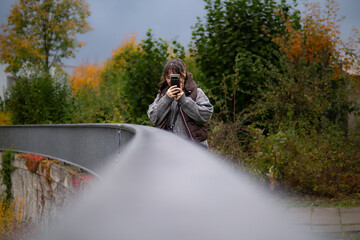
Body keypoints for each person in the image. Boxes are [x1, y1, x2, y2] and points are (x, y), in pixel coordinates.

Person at [147, 59, 213, 147]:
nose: (171, 80)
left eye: (175, 76)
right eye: (168, 77)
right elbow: (154, 118)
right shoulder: (162, 95)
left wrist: (184, 100)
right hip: (170, 148)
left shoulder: (196, 92)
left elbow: (205, 116)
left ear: (184, 74)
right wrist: (167, 99)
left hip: (194, 148)